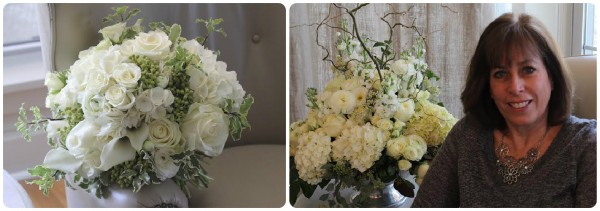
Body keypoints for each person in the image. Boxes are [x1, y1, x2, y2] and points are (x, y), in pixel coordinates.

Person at [411, 12, 596, 207]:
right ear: (488, 86)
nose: (515, 87)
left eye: (528, 70)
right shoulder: (466, 135)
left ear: (551, 76)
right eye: (500, 73)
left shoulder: (587, 145)